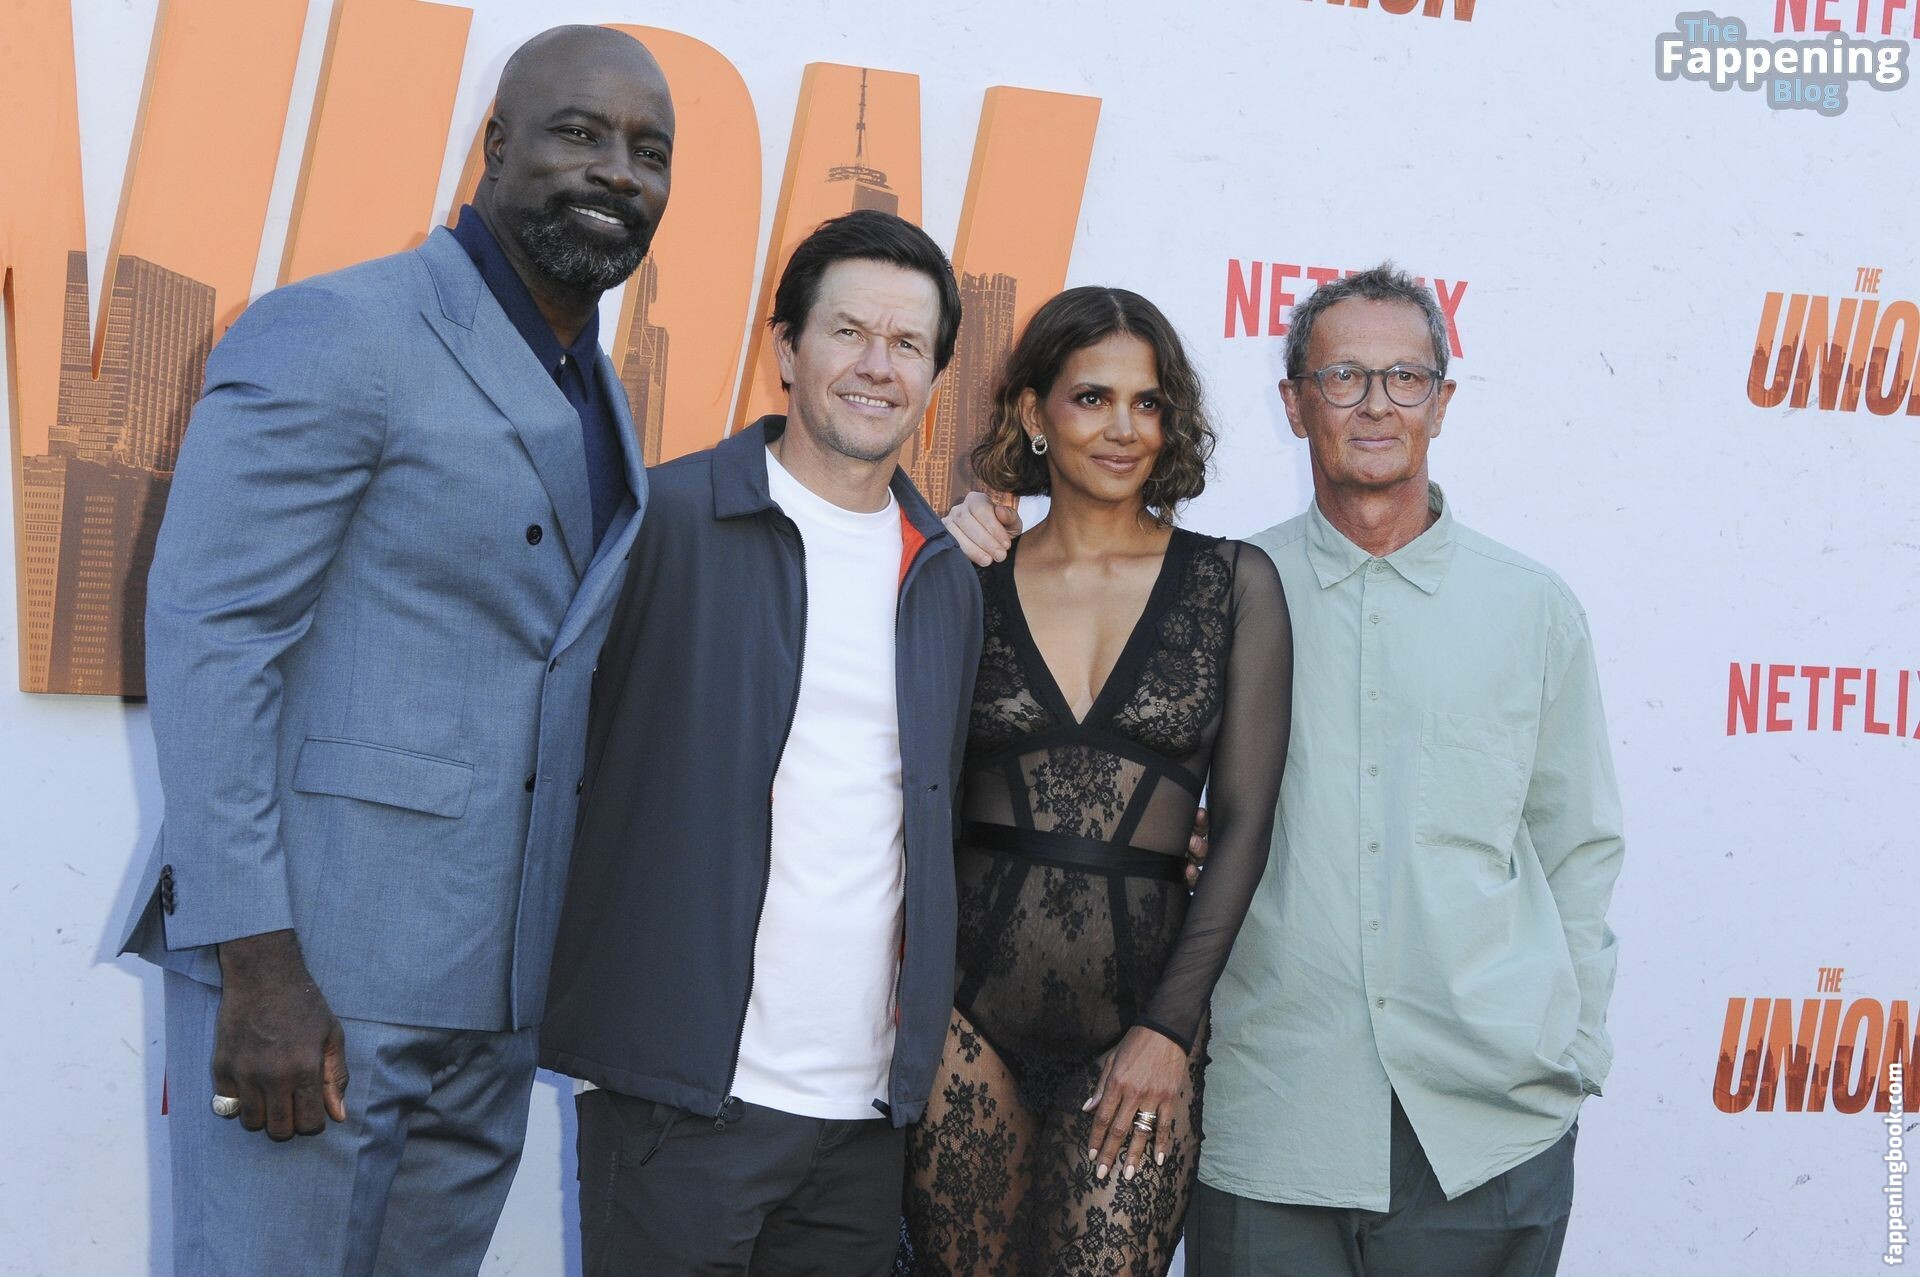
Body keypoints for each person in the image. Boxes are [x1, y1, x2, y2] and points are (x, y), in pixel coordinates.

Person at [114, 26, 673, 1273]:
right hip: (314, 983)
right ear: (496, 146)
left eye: (650, 151)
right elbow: (213, 640)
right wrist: (257, 960)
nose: (618, 170)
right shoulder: (339, 330)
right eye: (580, 132)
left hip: (492, 1003)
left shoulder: (595, 386)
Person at [950, 265, 1625, 1277]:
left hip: (1488, 1130)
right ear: (1294, 403)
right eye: (1342, 376)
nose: (1375, 404)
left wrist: (1569, 1054)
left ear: (1443, 401)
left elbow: (1578, 850)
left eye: (1405, 378)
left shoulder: (1532, 608)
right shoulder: (1221, 588)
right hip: (1276, 1124)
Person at [539, 209, 982, 1276]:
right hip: (681, 1100)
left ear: (934, 375)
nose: (877, 367)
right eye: (849, 332)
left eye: (908, 344)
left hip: (865, 1119)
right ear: (786, 347)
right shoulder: (663, 518)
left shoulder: (946, 578)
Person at [906, 286, 1293, 1276]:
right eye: (1092, 398)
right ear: (1033, 412)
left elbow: (1244, 826)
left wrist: (1168, 1027)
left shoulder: (1234, 583)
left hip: (1142, 1019)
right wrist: (938, 550)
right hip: (962, 1018)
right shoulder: (965, 575)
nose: (1124, 428)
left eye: (1148, 402)